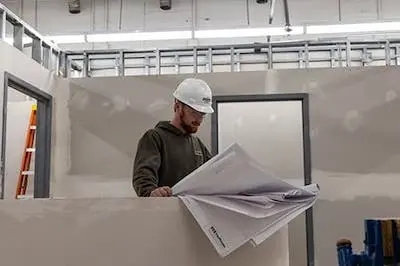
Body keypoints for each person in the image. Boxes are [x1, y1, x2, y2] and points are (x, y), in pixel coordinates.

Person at [132, 78, 214, 197]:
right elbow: (143, 175)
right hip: (165, 212)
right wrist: (151, 192)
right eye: (194, 113)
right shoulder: (155, 138)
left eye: (202, 114)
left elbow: (213, 173)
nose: (199, 120)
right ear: (177, 106)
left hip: (193, 213)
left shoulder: (197, 144)